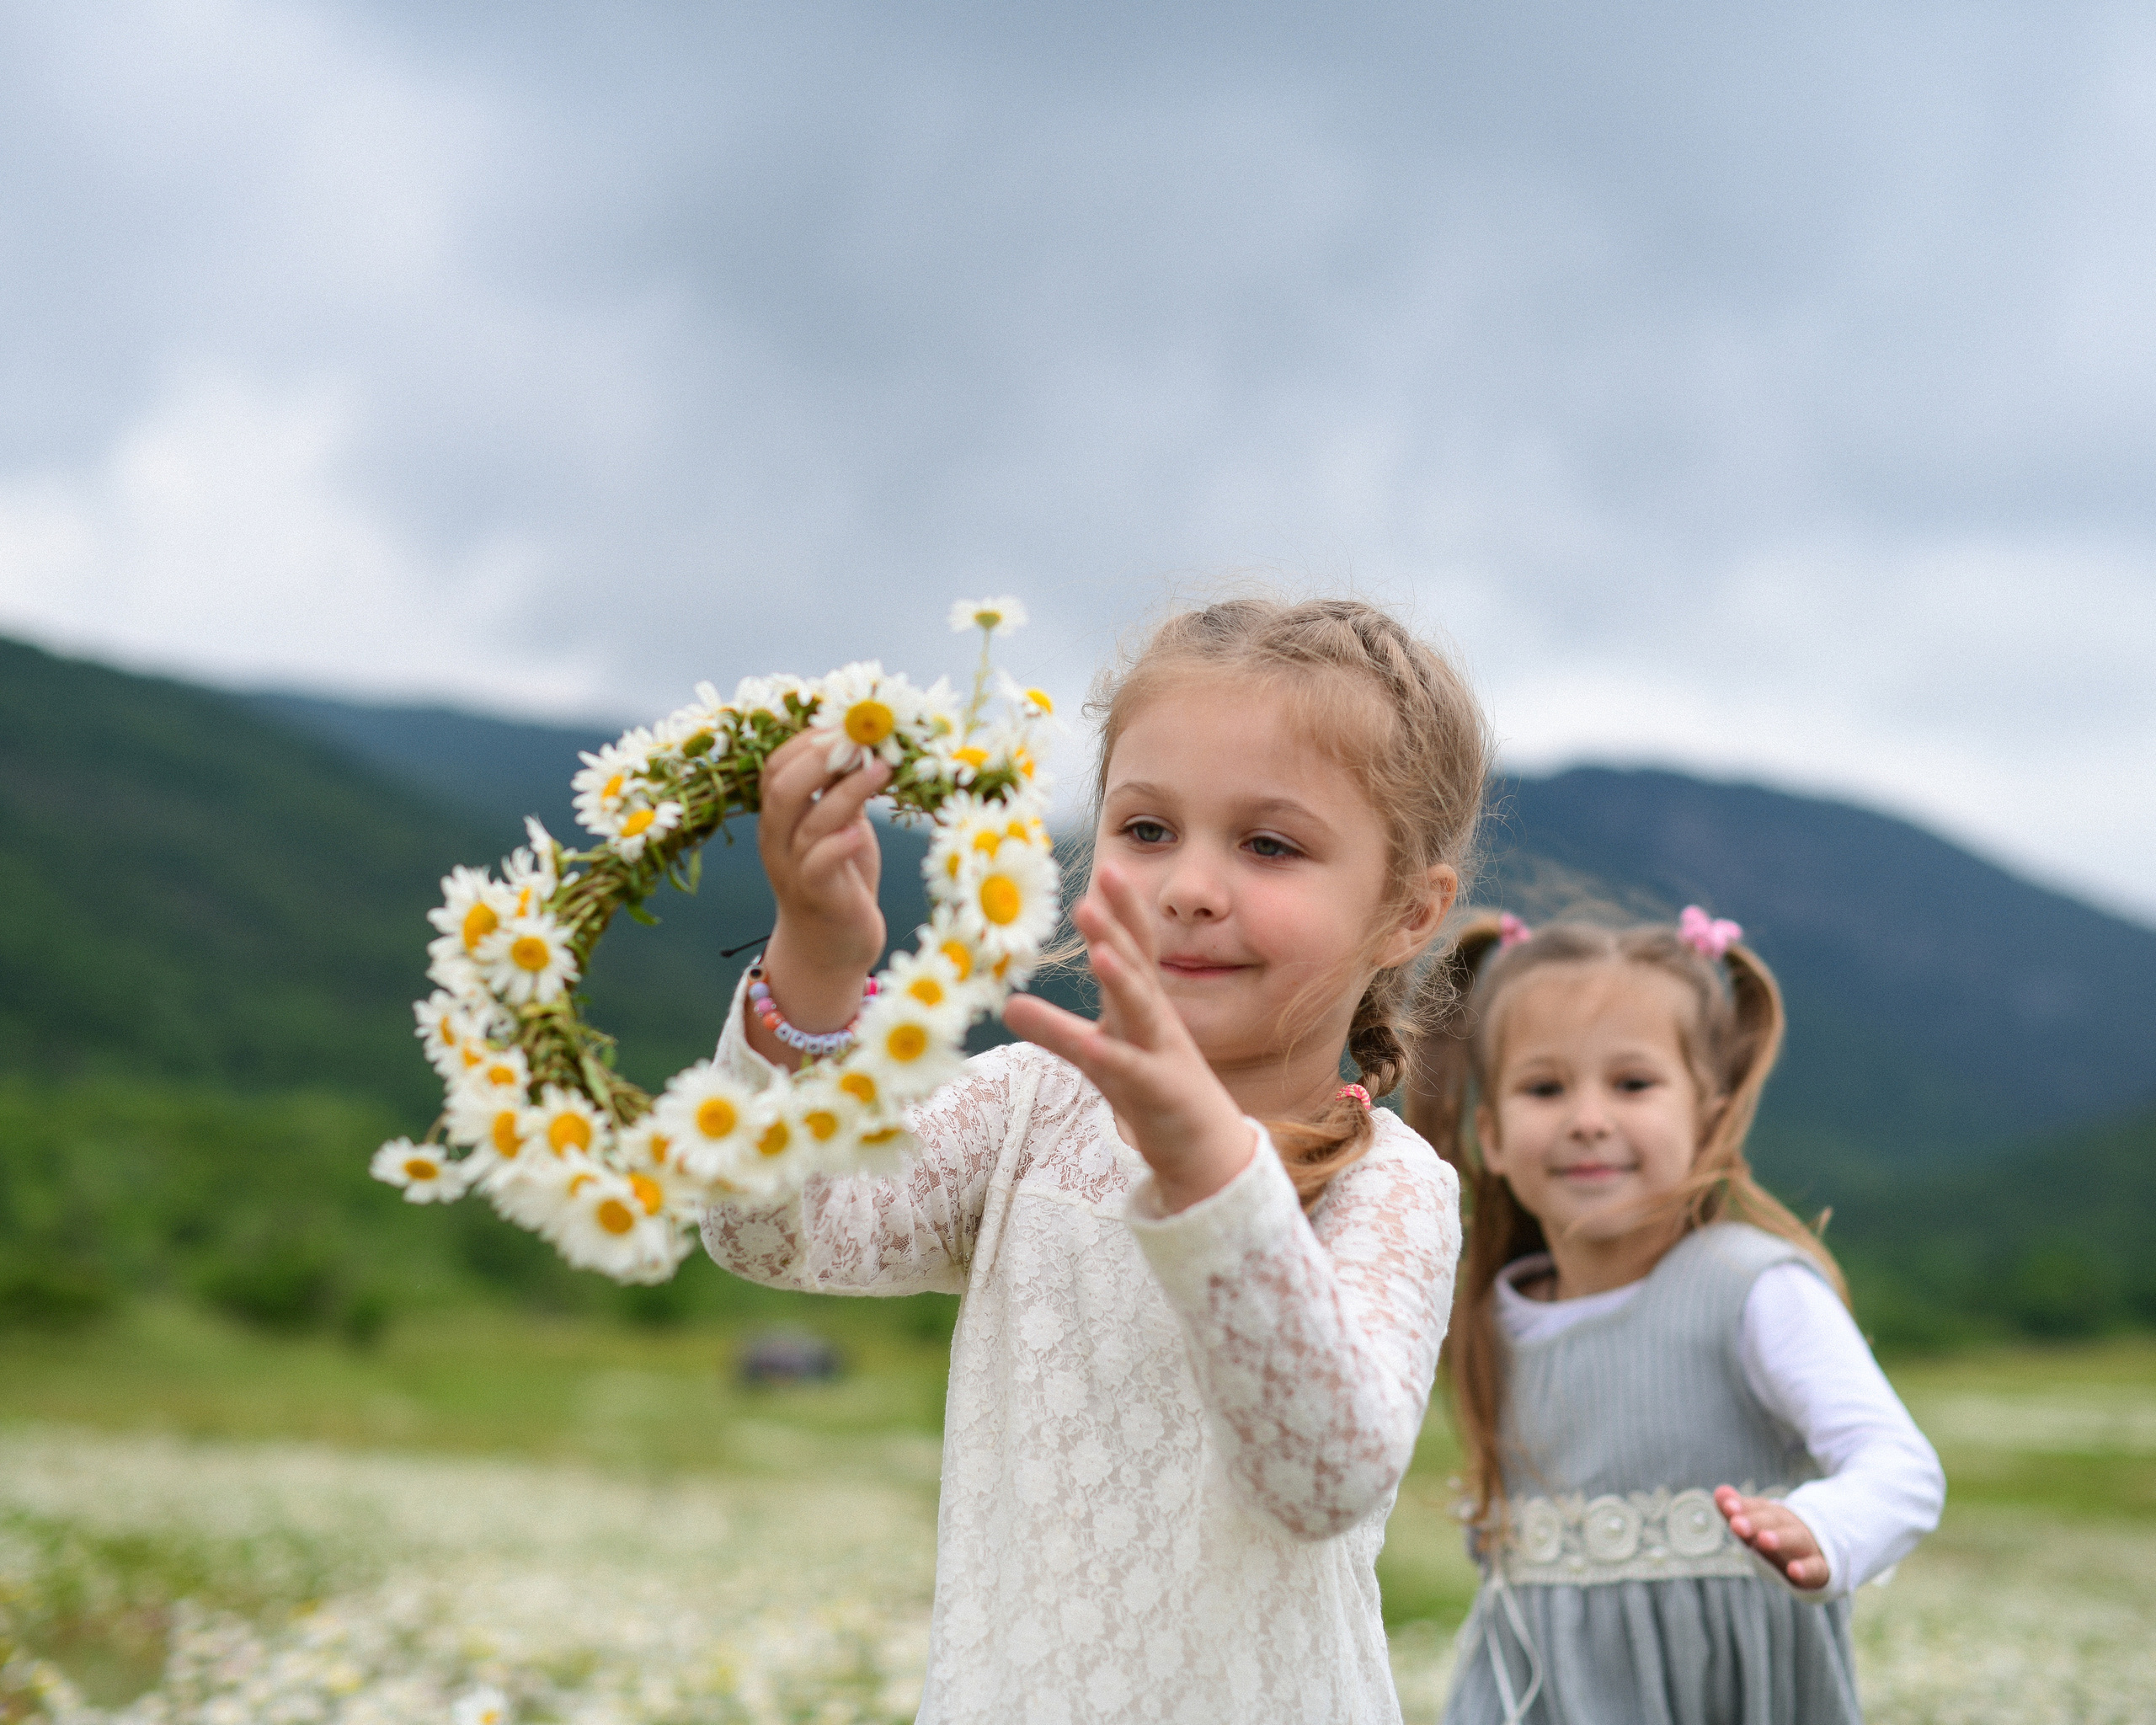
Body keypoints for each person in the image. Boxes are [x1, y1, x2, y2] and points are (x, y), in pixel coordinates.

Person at [700, 596, 1489, 1722]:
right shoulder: (1030, 1109)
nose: (1189, 886)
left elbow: (1322, 1477)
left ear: (1409, 912)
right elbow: (769, 1232)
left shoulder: (1388, 1187)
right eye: (1147, 830)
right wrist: (817, 971)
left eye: (1270, 845)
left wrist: (1208, 1176)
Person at [1407, 910, 1946, 1725]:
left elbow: (1900, 1467)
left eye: (1632, 1083)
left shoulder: (1748, 1285)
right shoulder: (1490, 1316)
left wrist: (1820, 1527)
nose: (1588, 1117)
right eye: (1545, 1086)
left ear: (1708, 1113)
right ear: (1492, 1135)